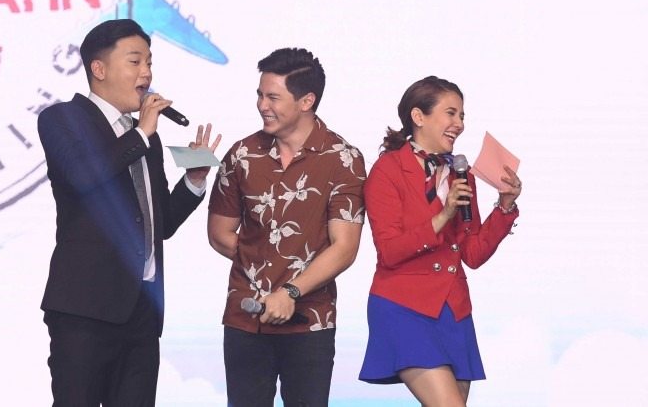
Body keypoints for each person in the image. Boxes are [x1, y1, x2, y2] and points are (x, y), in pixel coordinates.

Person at [38, 18, 220, 406]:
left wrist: (193, 180)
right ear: (99, 69)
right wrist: (140, 134)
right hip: (85, 310)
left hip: (141, 310)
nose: (147, 73)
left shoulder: (146, 136)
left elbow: (160, 223)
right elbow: (84, 177)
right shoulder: (63, 118)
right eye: (135, 62)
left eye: (149, 63)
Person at [207, 48, 366, 407]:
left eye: (273, 97)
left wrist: (290, 291)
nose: (262, 105)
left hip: (310, 322)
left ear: (307, 101)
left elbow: (344, 247)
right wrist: (263, 262)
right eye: (260, 95)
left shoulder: (343, 158)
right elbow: (219, 233)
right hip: (245, 318)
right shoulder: (242, 154)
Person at [358, 76, 523, 406]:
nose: (459, 124)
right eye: (451, 113)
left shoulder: (462, 176)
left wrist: (505, 207)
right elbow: (390, 251)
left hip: (453, 309)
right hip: (405, 306)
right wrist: (443, 215)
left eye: (462, 115)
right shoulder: (388, 170)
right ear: (419, 116)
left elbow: (472, 253)